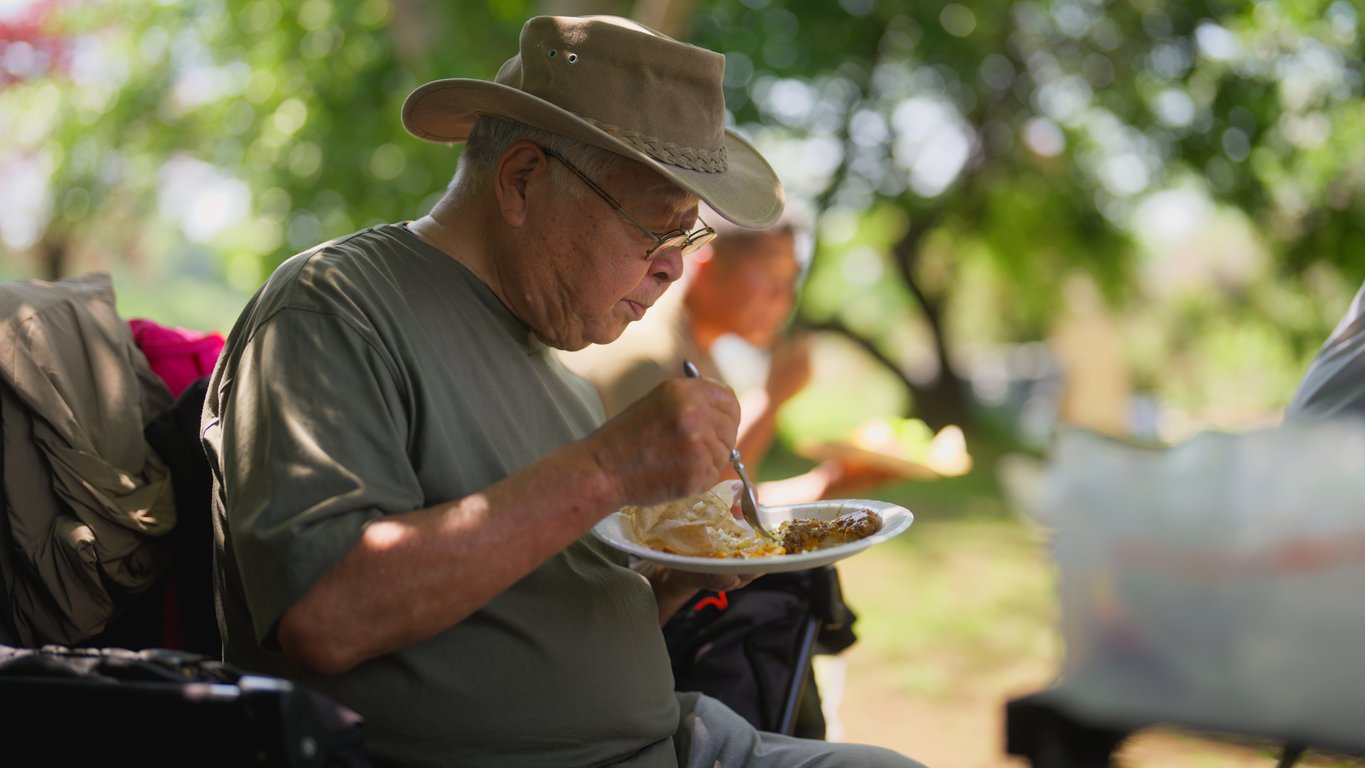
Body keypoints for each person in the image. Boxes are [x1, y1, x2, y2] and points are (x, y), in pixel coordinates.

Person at [202, 14, 925, 768]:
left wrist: (669, 584)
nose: (673, 268)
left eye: (688, 237)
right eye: (657, 227)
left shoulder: (560, 360)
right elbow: (327, 614)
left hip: (672, 739)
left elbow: (540, 618)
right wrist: (606, 470)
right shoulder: (334, 306)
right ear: (521, 180)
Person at [561, 208, 899, 506]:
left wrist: (829, 483)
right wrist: (772, 397)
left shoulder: (700, 354)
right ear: (707, 266)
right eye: (770, 274)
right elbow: (692, 519)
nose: (783, 297)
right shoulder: (647, 358)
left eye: (790, 280)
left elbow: (726, 499)